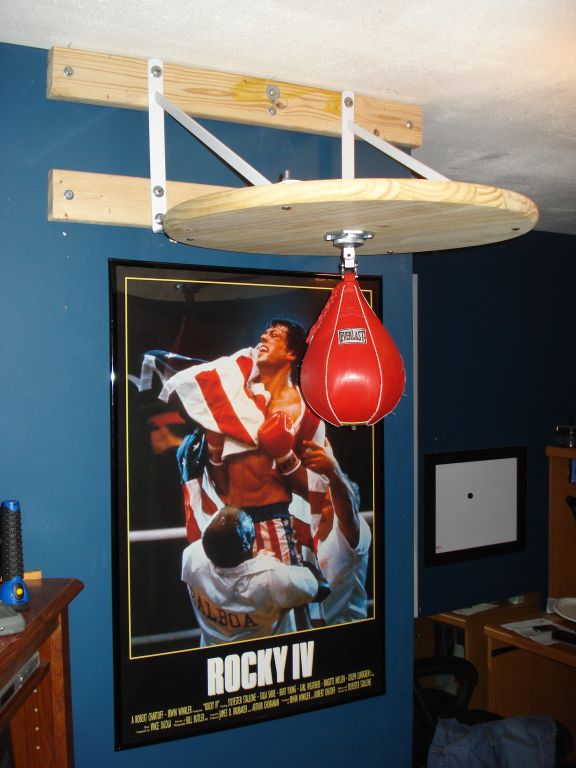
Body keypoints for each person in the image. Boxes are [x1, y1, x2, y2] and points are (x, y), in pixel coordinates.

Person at [181, 505, 327, 645]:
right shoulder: (270, 577)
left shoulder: (191, 557)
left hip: (217, 655)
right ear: (249, 544)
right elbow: (322, 587)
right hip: (266, 657)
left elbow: (220, 546)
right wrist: (290, 565)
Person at [300, 437, 372, 625]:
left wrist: (333, 471)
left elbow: (348, 514)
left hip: (345, 635)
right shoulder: (309, 533)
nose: (317, 509)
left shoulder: (356, 530)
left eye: (325, 503)